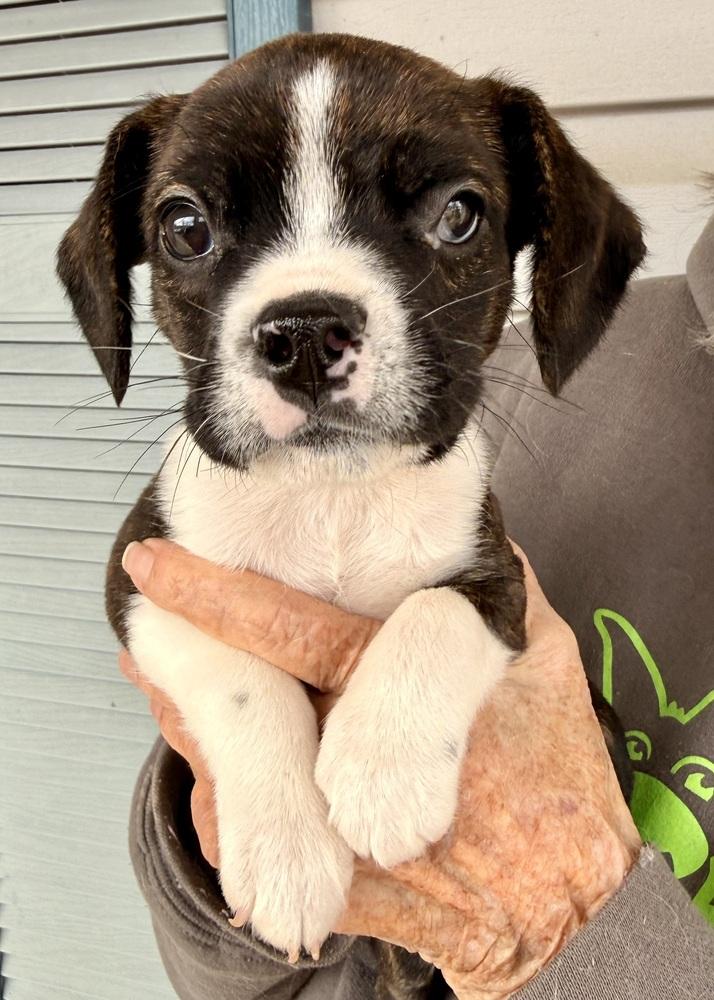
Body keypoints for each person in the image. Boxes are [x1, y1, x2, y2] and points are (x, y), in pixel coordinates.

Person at [120, 211, 714, 999]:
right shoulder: (503, 364)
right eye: (192, 232)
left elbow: (485, 596)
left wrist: (563, 936)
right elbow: (233, 959)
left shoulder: (449, 368)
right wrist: (239, 796)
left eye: (451, 220)